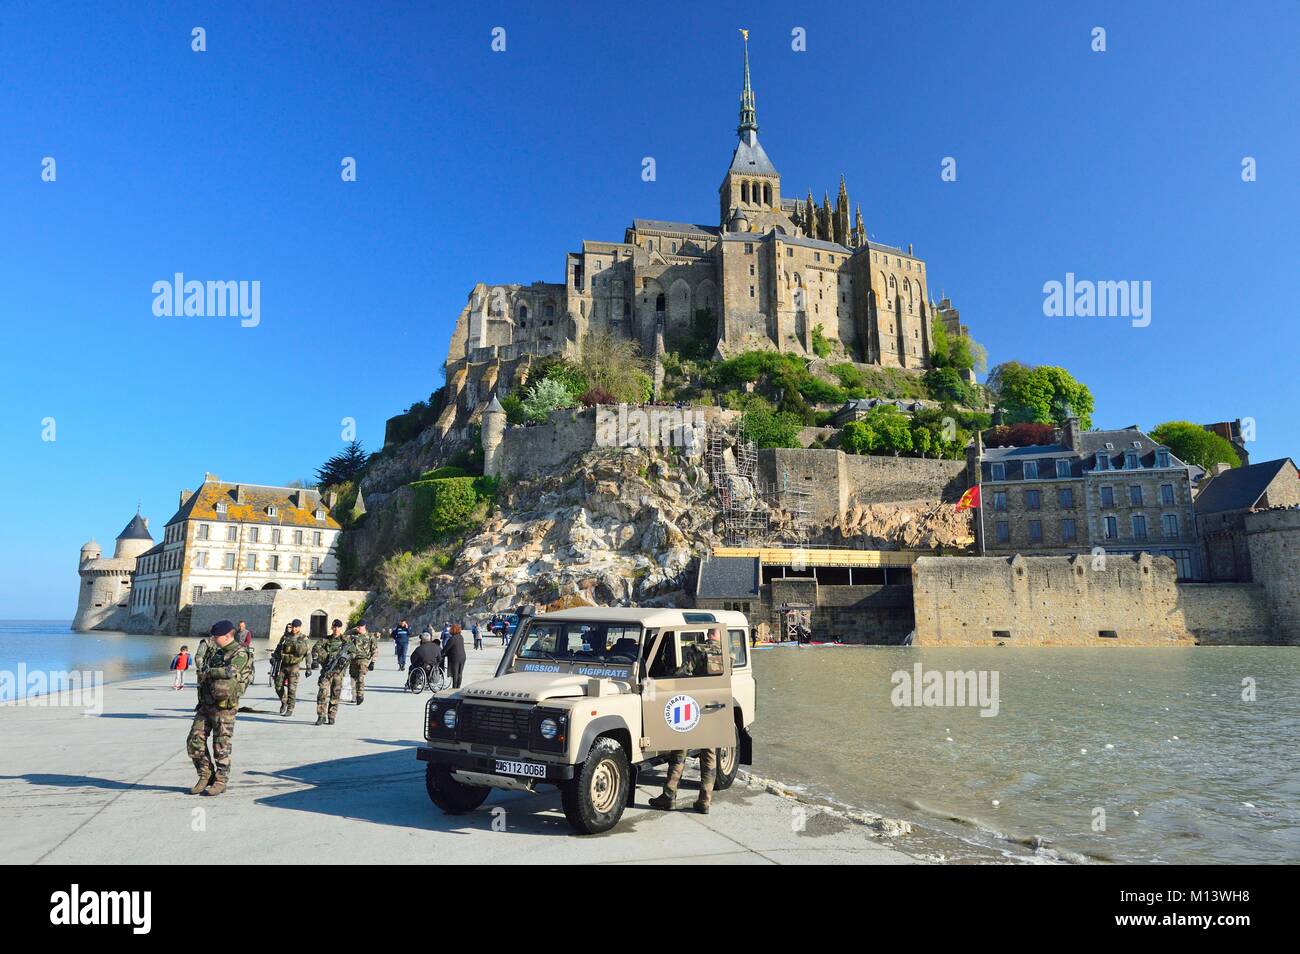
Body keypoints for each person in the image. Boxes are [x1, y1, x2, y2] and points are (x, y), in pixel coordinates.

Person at [186, 620, 254, 797]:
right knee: (194, 741)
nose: (214, 639)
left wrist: (208, 671)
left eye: (216, 637)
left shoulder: (240, 652)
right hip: (206, 704)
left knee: (220, 745)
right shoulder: (217, 652)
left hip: (225, 707)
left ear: (227, 636)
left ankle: (221, 780)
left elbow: (230, 671)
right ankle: (205, 774)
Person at [649, 641, 717, 815]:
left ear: (707, 635)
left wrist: (670, 673)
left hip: (692, 704)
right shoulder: (726, 654)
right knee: (709, 755)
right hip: (712, 707)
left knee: (679, 752)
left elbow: (683, 673)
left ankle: (669, 796)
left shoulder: (697, 650)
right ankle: (705, 800)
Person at [309, 619, 351, 726]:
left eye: (338, 627)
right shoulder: (325, 640)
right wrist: (315, 659)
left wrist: (345, 658)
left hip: (339, 672)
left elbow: (353, 652)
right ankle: (321, 716)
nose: (336, 629)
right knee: (322, 692)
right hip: (326, 671)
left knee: (335, 694)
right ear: (332, 628)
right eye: (334, 627)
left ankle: (332, 716)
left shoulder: (346, 640)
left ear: (341, 629)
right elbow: (314, 649)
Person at [272, 619, 311, 717]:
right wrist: (274, 657)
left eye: (296, 627)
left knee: (292, 689)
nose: (294, 629)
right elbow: (278, 648)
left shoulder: (303, 638)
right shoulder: (285, 637)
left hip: (294, 666)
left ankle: (290, 708)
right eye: (292, 627)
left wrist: (308, 667)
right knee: (278, 685)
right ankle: (284, 701)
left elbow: (308, 654)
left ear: (299, 627)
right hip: (283, 664)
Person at [348, 623, 378, 705]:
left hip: (364, 660)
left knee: (360, 677)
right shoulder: (353, 636)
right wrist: (354, 629)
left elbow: (374, 650)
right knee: (353, 679)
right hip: (353, 660)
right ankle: (354, 696)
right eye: (357, 627)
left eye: (359, 627)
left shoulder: (370, 637)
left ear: (364, 626)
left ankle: (360, 695)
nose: (358, 629)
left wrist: (373, 662)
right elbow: (345, 636)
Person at [443, 623, 467, 689]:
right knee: (460, 673)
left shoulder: (452, 639)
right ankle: (458, 687)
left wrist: (442, 653)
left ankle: (454, 688)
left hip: (455, 658)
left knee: (455, 674)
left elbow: (446, 648)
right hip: (463, 657)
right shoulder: (461, 637)